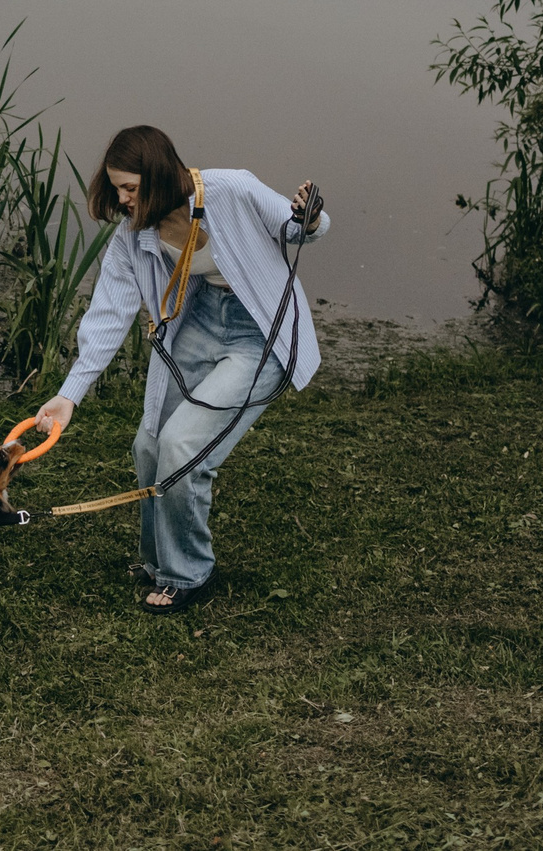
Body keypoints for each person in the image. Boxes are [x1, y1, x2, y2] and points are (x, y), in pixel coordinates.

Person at [31, 125, 326, 612]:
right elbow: (108, 314)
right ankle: (156, 561)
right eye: (117, 188)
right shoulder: (131, 239)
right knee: (149, 442)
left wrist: (309, 218)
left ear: (160, 175)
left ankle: (189, 572)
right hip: (200, 320)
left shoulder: (231, 188)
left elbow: (298, 230)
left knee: (183, 446)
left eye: (131, 187)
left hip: (261, 332)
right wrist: (69, 395)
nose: (123, 199)